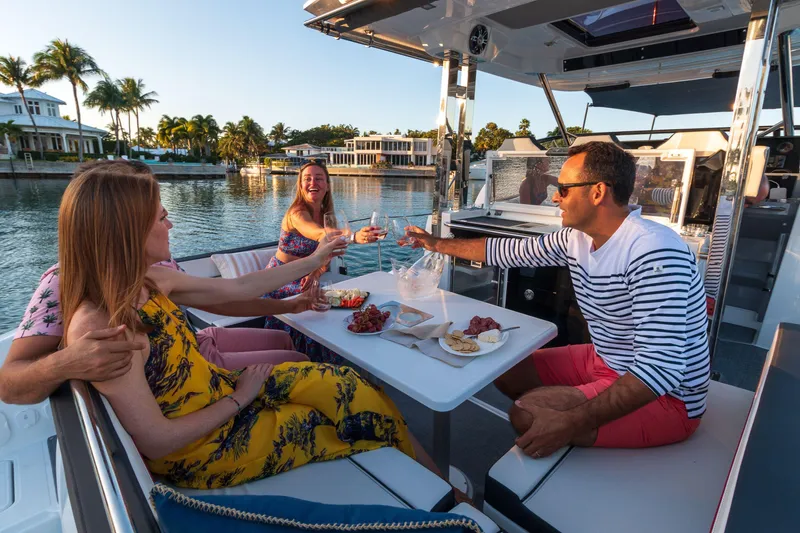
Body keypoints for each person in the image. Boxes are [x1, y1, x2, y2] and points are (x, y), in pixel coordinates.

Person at [58, 159, 442, 492]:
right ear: (127, 229)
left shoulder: (150, 281)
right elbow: (159, 441)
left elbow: (238, 287)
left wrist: (314, 262)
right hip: (210, 447)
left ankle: (427, 472)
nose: (171, 224)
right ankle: (435, 490)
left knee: (350, 383)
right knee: (333, 414)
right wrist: (241, 396)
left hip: (218, 391)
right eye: (161, 217)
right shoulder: (103, 329)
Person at [404, 141, 711, 458]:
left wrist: (572, 420)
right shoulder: (576, 237)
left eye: (564, 189)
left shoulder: (653, 251)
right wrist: (434, 243)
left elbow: (661, 369)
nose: (554, 196)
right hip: (606, 360)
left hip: (669, 399)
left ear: (597, 193)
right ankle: (573, 413)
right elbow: (506, 252)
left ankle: (573, 427)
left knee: (524, 415)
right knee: (504, 367)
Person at [0, 260, 315, 405]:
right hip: (186, 364)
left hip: (196, 340)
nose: (171, 223)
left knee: (283, 338)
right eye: (160, 216)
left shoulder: (158, 265)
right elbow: (8, 384)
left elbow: (221, 299)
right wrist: (64, 363)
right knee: (299, 358)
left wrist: (287, 306)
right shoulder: (63, 281)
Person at [263, 162, 379, 364]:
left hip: (307, 277)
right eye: (307, 178)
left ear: (327, 185)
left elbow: (328, 256)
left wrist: (315, 274)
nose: (312, 182)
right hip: (281, 280)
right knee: (322, 304)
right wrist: (353, 236)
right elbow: (318, 234)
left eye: (318, 178)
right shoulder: (296, 213)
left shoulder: (328, 217)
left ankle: (339, 358)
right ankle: (306, 359)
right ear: (300, 185)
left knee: (352, 300)